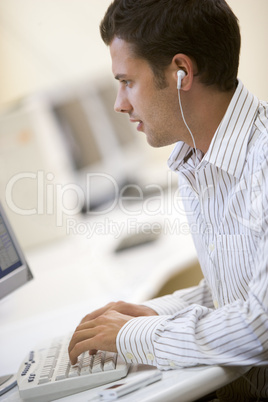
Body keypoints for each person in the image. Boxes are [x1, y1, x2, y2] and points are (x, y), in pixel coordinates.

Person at [68, 0, 268, 400]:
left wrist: (132, 335)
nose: (119, 104)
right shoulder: (198, 160)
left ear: (181, 73)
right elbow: (238, 290)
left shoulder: (262, 160)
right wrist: (156, 312)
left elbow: (260, 325)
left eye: (127, 81)